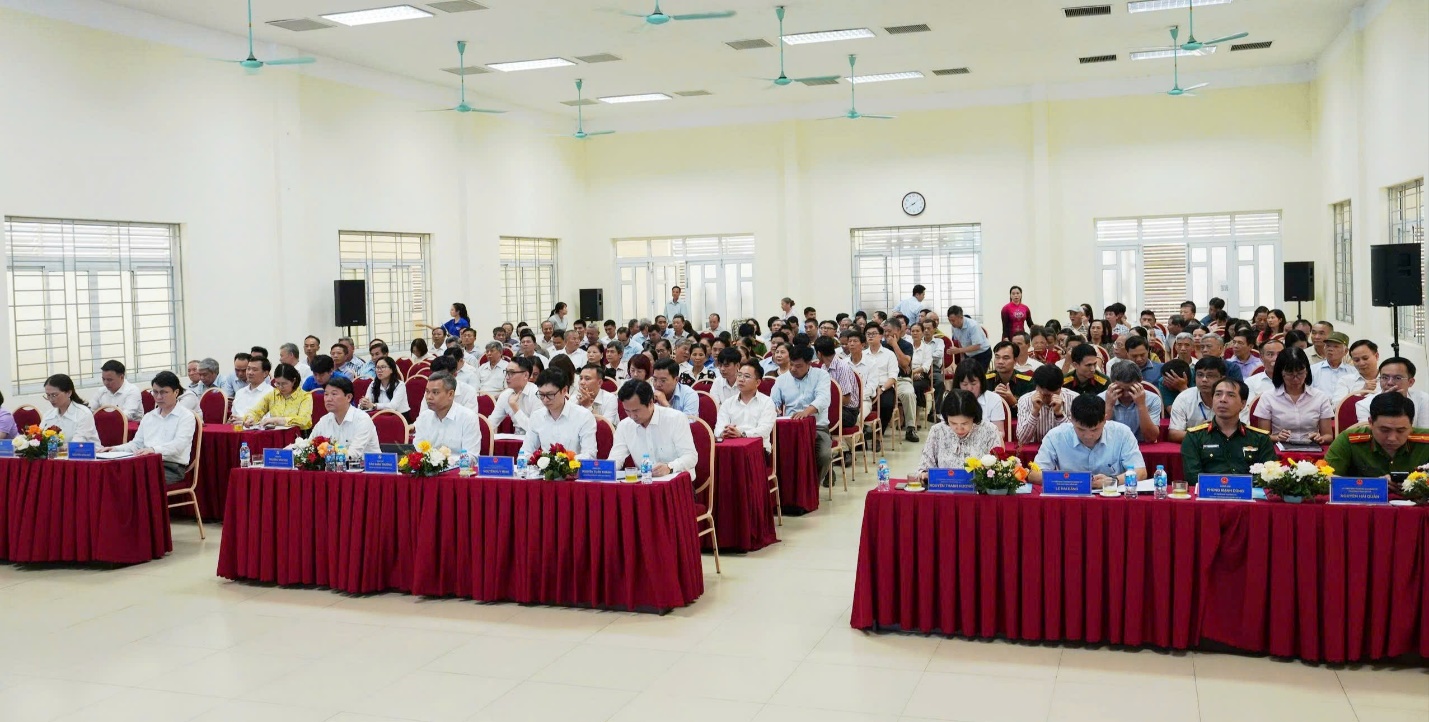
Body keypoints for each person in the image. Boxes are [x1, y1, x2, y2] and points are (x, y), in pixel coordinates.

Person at [1030, 393, 1145, 490]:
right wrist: (1076, 480)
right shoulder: (1055, 436)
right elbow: (1034, 475)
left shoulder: (1122, 433)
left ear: (1105, 420)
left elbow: (1140, 472)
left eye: (1094, 429)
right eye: (1081, 429)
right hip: (1071, 498)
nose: (1088, 436)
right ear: (1071, 419)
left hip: (1111, 497)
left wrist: (1112, 481)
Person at [98, 372, 195, 482]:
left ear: (176, 392)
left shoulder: (186, 416)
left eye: (164, 392)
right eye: (155, 392)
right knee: (115, 475)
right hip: (145, 463)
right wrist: (115, 449)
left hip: (171, 467)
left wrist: (153, 450)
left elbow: (179, 445)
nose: (158, 397)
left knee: (137, 481)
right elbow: (137, 444)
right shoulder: (149, 416)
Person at [1325, 392, 1429, 491]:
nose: (1392, 438)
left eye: (1400, 430)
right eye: (1385, 430)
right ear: (1370, 422)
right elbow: (1323, 477)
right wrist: (1373, 484)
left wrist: (1417, 483)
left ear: (1411, 425)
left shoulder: (1426, 440)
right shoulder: (1349, 439)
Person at [1181, 378, 1277, 481]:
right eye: (1218, 394)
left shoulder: (1260, 438)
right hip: (1208, 495)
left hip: (1249, 495)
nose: (1222, 399)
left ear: (1243, 404)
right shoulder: (1194, 436)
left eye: (1230, 395)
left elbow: (1268, 477)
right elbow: (1193, 476)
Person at [606, 380, 698, 476]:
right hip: (645, 483)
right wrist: (601, 470)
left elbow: (691, 457)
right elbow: (616, 458)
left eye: (636, 410)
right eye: (627, 411)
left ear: (650, 402)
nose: (632, 416)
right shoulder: (624, 426)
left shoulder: (675, 418)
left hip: (676, 483)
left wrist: (669, 467)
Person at [770, 344, 833, 483]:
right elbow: (772, 401)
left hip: (817, 427)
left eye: (798, 366)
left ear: (809, 363)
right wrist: (774, 408)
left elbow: (823, 399)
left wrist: (807, 412)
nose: (793, 369)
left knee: (824, 455)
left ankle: (812, 486)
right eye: (791, 364)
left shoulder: (821, 375)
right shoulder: (782, 379)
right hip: (790, 429)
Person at [913, 389, 1003, 483]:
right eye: (953, 423)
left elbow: (999, 470)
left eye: (965, 423)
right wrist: (924, 474)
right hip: (944, 491)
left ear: (974, 417)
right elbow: (923, 466)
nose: (959, 429)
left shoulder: (989, 431)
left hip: (979, 493)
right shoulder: (938, 431)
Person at [1254, 347, 1334, 445]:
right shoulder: (1268, 397)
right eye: (1290, 374)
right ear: (1281, 373)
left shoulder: (1320, 397)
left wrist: (1320, 438)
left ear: (1307, 372)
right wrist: (1277, 437)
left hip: (1312, 448)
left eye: (1300, 373)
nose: (1295, 379)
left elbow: (1328, 436)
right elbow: (1262, 437)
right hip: (1279, 449)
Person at [519, 368, 598, 460]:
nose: (545, 400)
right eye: (541, 394)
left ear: (564, 390)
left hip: (574, 472)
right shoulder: (537, 416)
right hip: (544, 472)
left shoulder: (584, 416)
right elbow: (525, 452)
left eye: (550, 394)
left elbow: (589, 455)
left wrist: (559, 463)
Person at [306, 376, 379, 457]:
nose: (328, 399)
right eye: (326, 394)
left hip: (368, 467)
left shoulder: (362, 419)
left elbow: (353, 455)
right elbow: (308, 446)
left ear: (348, 397)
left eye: (334, 394)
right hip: (334, 468)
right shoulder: (324, 420)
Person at [413, 372, 482, 454]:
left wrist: (441, 461)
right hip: (429, 465)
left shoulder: (468, 418)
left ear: (450, 394)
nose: (429, 397)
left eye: (435, 392)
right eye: (427, 392)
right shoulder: (424, 417)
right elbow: (418, 450)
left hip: (459, 466)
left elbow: (471, 456)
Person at [715, 360, 776, 451]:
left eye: (747, 376)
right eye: (739, 375)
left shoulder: (767, 402)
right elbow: (718, 429)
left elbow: (764, 430)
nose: (741, 379)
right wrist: (724, 432)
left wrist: (742, 434)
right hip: (731, 447)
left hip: (758, 450)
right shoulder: (728, 403)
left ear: (757, 382)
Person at [852, 325, 900, 436]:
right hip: (866, 387)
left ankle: (879, 434)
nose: (870, 336)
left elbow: (893, 376)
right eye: (868, 334)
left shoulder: (889, 354)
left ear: (881, 336)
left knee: (886, 404)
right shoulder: (862, 354)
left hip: (884, 386)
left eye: (874, 334)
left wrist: (882, 389)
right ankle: (860, 432)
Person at [1168, 356, 1229, 443]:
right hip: (1195, 448)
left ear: (1222, 379)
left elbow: (1243, 431)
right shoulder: (1184, 398)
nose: (1204, 380)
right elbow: (1174, 434)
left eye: (1210, 375)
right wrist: (1202, 434)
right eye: (1200, 375)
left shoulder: (1234, 399)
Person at [1356, 357, 1429, 427]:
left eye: (1397, 378)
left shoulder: (1423, 399)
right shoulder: (1363, 405)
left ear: (1410, 382)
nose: (1390, 383)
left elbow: (1425, 433)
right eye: (1384, 377)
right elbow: (1368, 433)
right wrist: (1383, 403)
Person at [1100, 362, 1162, 443]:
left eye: (1131, 390)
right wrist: (1108, 406)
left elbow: (1151, 437)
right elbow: (1097, 435)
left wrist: (1141, 405)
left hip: (1141, 446)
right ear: (1112, 383)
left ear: (1140, 382)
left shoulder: (1152, 399)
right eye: (1121, 389)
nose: (1126, 395)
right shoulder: (1101, 398)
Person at [1016, 364, 1077, 445]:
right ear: (1036, 386)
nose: (1048, 398)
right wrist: (1034, 412)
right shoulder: (1025, 400)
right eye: (1044, 395)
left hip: (1065, 449)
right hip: (1036, 452)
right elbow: (1022, 440)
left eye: (1053, 394)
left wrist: (1059, 414)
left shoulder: (1074, 399)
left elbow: (1075, 438)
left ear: (1061, 387)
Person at [240, 363, 313, 430]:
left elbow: (305, 421)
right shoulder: (273, 395)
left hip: (296, 437)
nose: (280, 387)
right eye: (277, 383)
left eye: (284, 384)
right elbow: (256, 411)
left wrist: (277, 420)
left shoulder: (305, 396)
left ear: (293, 381)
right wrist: (250, 418)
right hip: (274, 435)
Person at [816, 336, 861, 433]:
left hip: (848, 412)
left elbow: (846, 400)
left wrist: (824, 402)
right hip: (830, 407)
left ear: (819, 353)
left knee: (817, 416)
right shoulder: (823, 367)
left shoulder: (842, 367)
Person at [40, 374, 100, 443]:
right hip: (58, 453)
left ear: (68, 393)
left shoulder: (83, 414)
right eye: (48, 395)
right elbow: (41, 440)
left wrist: (56, 448)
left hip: (86, 453)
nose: (50, 399)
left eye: (54, 395)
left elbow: (77, 443)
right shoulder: (48, 415)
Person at [490, 356, 541, 435]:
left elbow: (536, 430)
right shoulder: (505, 395)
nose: (507, 377)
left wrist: (515, 407)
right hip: (516, 439)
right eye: (506, 372)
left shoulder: (537, 394)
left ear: (526, 375)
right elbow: (491, 423)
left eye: (512, 373)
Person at [953, 359, 1006, 434]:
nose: (969, 389)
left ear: (981, 382)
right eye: (964, 384)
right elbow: (945, 431)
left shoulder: (994, 399)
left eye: (973, 384)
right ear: (958, 384)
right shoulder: (951, 399)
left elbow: (1000, 432)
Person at [985, 342, 1035, 418]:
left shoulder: (1028, 382)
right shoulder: (984, 380)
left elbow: (1031, 413)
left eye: (1006, 358)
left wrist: (1014, 402)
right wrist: (992, 398)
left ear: (1015, 361)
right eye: (997, 357)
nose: (1000, 362)